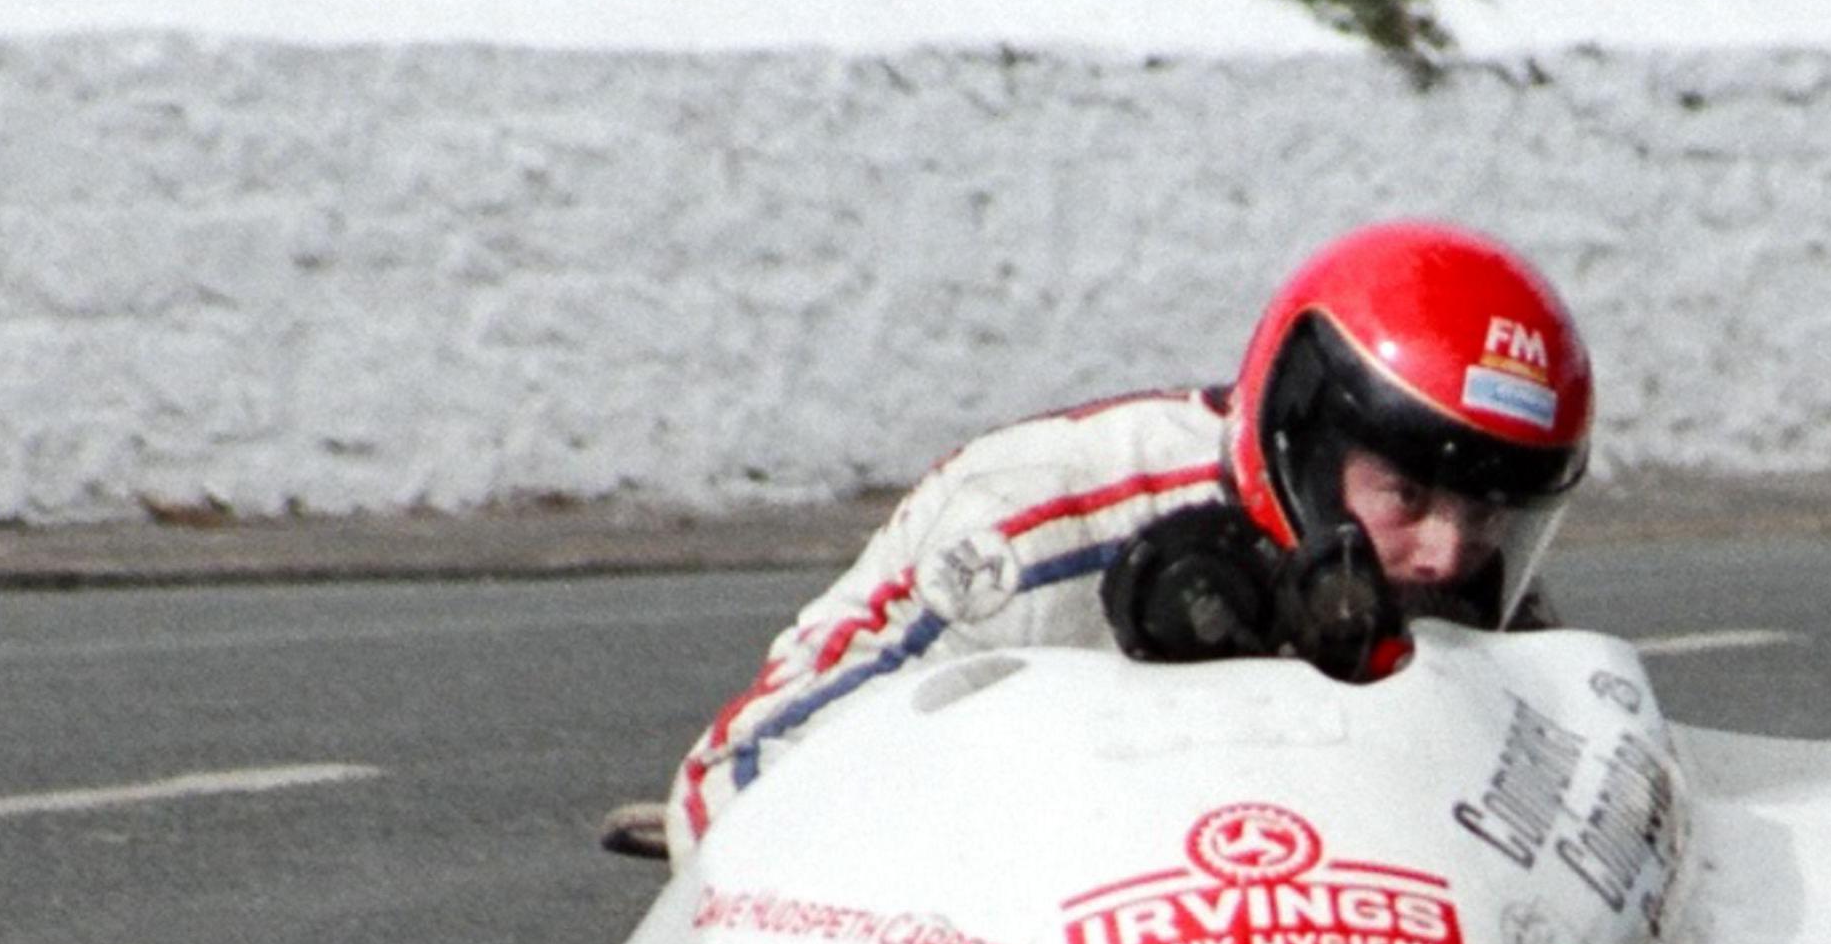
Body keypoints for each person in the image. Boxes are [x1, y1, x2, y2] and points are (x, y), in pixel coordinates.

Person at [652, 220, 1592, 863]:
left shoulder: (1481, 610)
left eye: (1488, 511)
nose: (1445, 553)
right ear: (1306, 435)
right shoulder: (1032, 524)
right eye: (1408, 492)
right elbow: (732, 784)